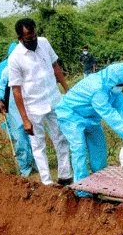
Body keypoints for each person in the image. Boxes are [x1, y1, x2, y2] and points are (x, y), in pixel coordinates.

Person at [56, 62, 123, 194]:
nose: (120, 88)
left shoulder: (113, 88)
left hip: (90, 117)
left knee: (99, 147)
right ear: (112, 81)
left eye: (122, 85)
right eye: (118, 85)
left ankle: (100, 182)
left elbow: (122, 108)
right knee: (79, 149)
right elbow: (110, 115)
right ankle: (82, 188)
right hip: (71, 114)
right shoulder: (97, 89)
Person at [7, 18, 73, 186]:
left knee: (61, 137)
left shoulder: (44, 43)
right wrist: (24, 119)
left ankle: (65, 175)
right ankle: (46, 181)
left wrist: (67, 90)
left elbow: (55, 67)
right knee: (38, 145)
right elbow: (16, 90)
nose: (33, 39)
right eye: (28, 37)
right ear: (21, 38)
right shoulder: (15, 58)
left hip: (54, 99)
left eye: (34, 34)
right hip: (33, 106)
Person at [0, 41, 36, 177]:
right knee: (20, 139)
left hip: (31, 105)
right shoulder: (5, 68)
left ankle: (37, 164)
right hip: (14, 109)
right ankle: (25, 169)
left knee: (34, 137)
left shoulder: (30, 63)